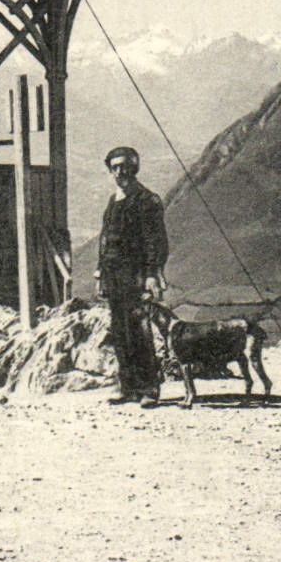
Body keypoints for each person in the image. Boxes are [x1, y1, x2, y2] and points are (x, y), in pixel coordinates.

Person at [95, 146, 168, 407]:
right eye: (114, 167)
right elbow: (106, 240)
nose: (120, 172)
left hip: (137, 275)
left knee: (139, 330)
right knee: (120, 331)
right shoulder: (113, 201)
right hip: (114, 276)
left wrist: (152, 274)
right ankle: (128, 387)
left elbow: (155, 241)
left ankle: (149, 388)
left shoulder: (147, 200)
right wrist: (100, 274)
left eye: (125, 166)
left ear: (134, 168)